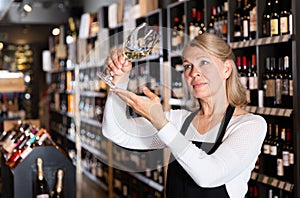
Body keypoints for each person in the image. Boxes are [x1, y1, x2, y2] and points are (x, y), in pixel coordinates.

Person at [102, 33, 267, 198]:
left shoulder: (250, 125)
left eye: (204, 62)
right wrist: (119, 81)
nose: (194, 72)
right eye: (188, 66)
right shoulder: (180, 120)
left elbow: (209, 176)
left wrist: (161, 123)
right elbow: (117, 132)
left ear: (226, 69)